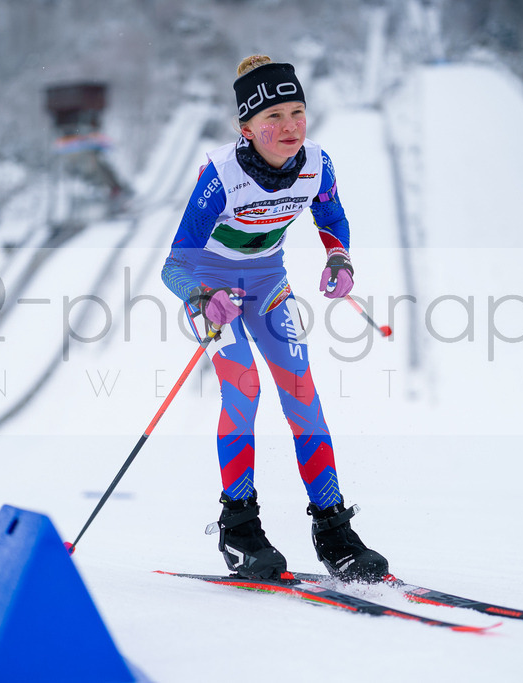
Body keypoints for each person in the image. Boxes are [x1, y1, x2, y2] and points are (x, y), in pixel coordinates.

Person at [161, 55, 388, 582]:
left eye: (297, 113)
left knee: (303, 398)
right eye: (272, 119)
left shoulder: (317, 163)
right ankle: (239, 528)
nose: (289, 127)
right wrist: (199, 296)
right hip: (213, 291)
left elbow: (330, 215)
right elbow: (174, 264)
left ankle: (334, 531)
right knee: (243, 389)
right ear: (246, 129)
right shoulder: (219, 175)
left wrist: (339, 258)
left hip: (267, 289)